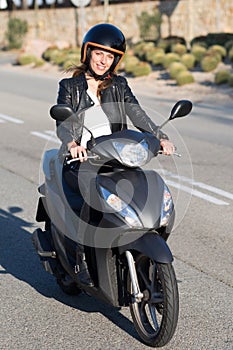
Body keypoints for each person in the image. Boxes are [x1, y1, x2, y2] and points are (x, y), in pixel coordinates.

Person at [55, 23, 175, 286]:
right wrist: (73, 144)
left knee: (143, 187)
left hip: (115, 157)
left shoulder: (119, 85)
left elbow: (137, 113)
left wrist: (160, 136)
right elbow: (64, 121)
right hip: (83, 160)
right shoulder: (70, 86)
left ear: (115, 61)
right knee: (90, 194)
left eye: (109, 56)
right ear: (88, 52)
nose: (103, 60)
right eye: (99, 53)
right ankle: (80, 257)